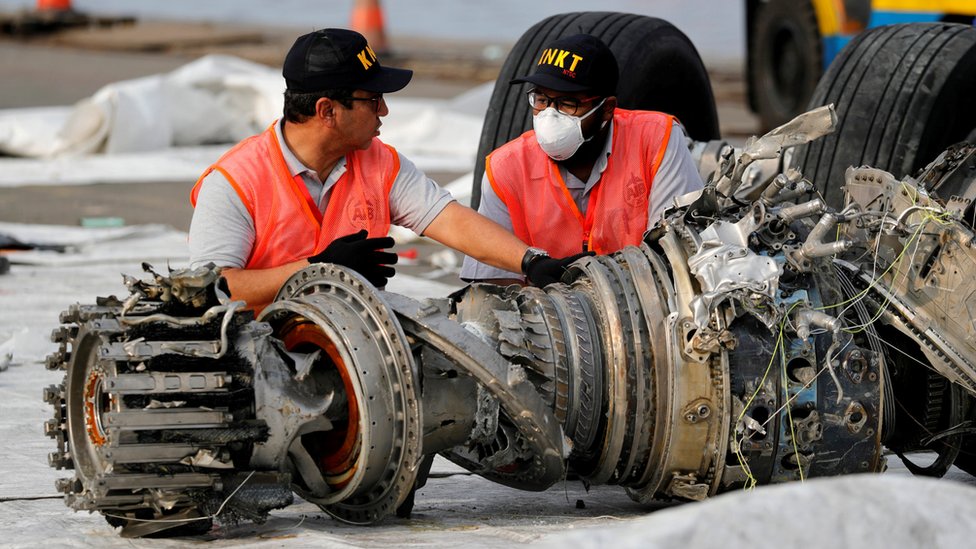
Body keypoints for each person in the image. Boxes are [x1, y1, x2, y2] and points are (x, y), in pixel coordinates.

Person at [188, 28, 583, 312]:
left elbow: (452, 221)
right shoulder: (234, 182)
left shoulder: (377, 160)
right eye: (373, 100)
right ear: (328, 110)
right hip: (258, 358)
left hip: (346, 342)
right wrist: (318, 269)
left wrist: (531, 261)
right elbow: (213, 289)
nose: (385, 111)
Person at [460, 34, 705, 285]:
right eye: (542, 100)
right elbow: (492, 282)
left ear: (607, 108)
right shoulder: (507, 168)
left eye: (568, 103)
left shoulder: (656, 139)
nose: (549, 116)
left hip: (644, 304)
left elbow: (679, 250)